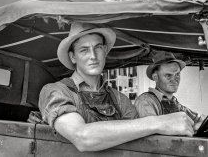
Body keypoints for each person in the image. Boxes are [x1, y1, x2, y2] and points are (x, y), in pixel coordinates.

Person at [39, 23, 195, 152]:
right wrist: (159, 122)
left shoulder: (120, 99)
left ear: (105, 50)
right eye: (84, 50)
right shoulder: (56, 91)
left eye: (98, 47)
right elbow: (82, 137)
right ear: (73, 57)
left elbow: (140, 143)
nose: (93, 56)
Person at [134, 51, 205, 131]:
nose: (175, 80)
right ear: (155, 77)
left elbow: (200, 119)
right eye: (168, 75)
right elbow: (150, 135)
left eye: (177, 74)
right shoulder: (145, 101)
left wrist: (197, 124)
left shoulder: (174, 102)